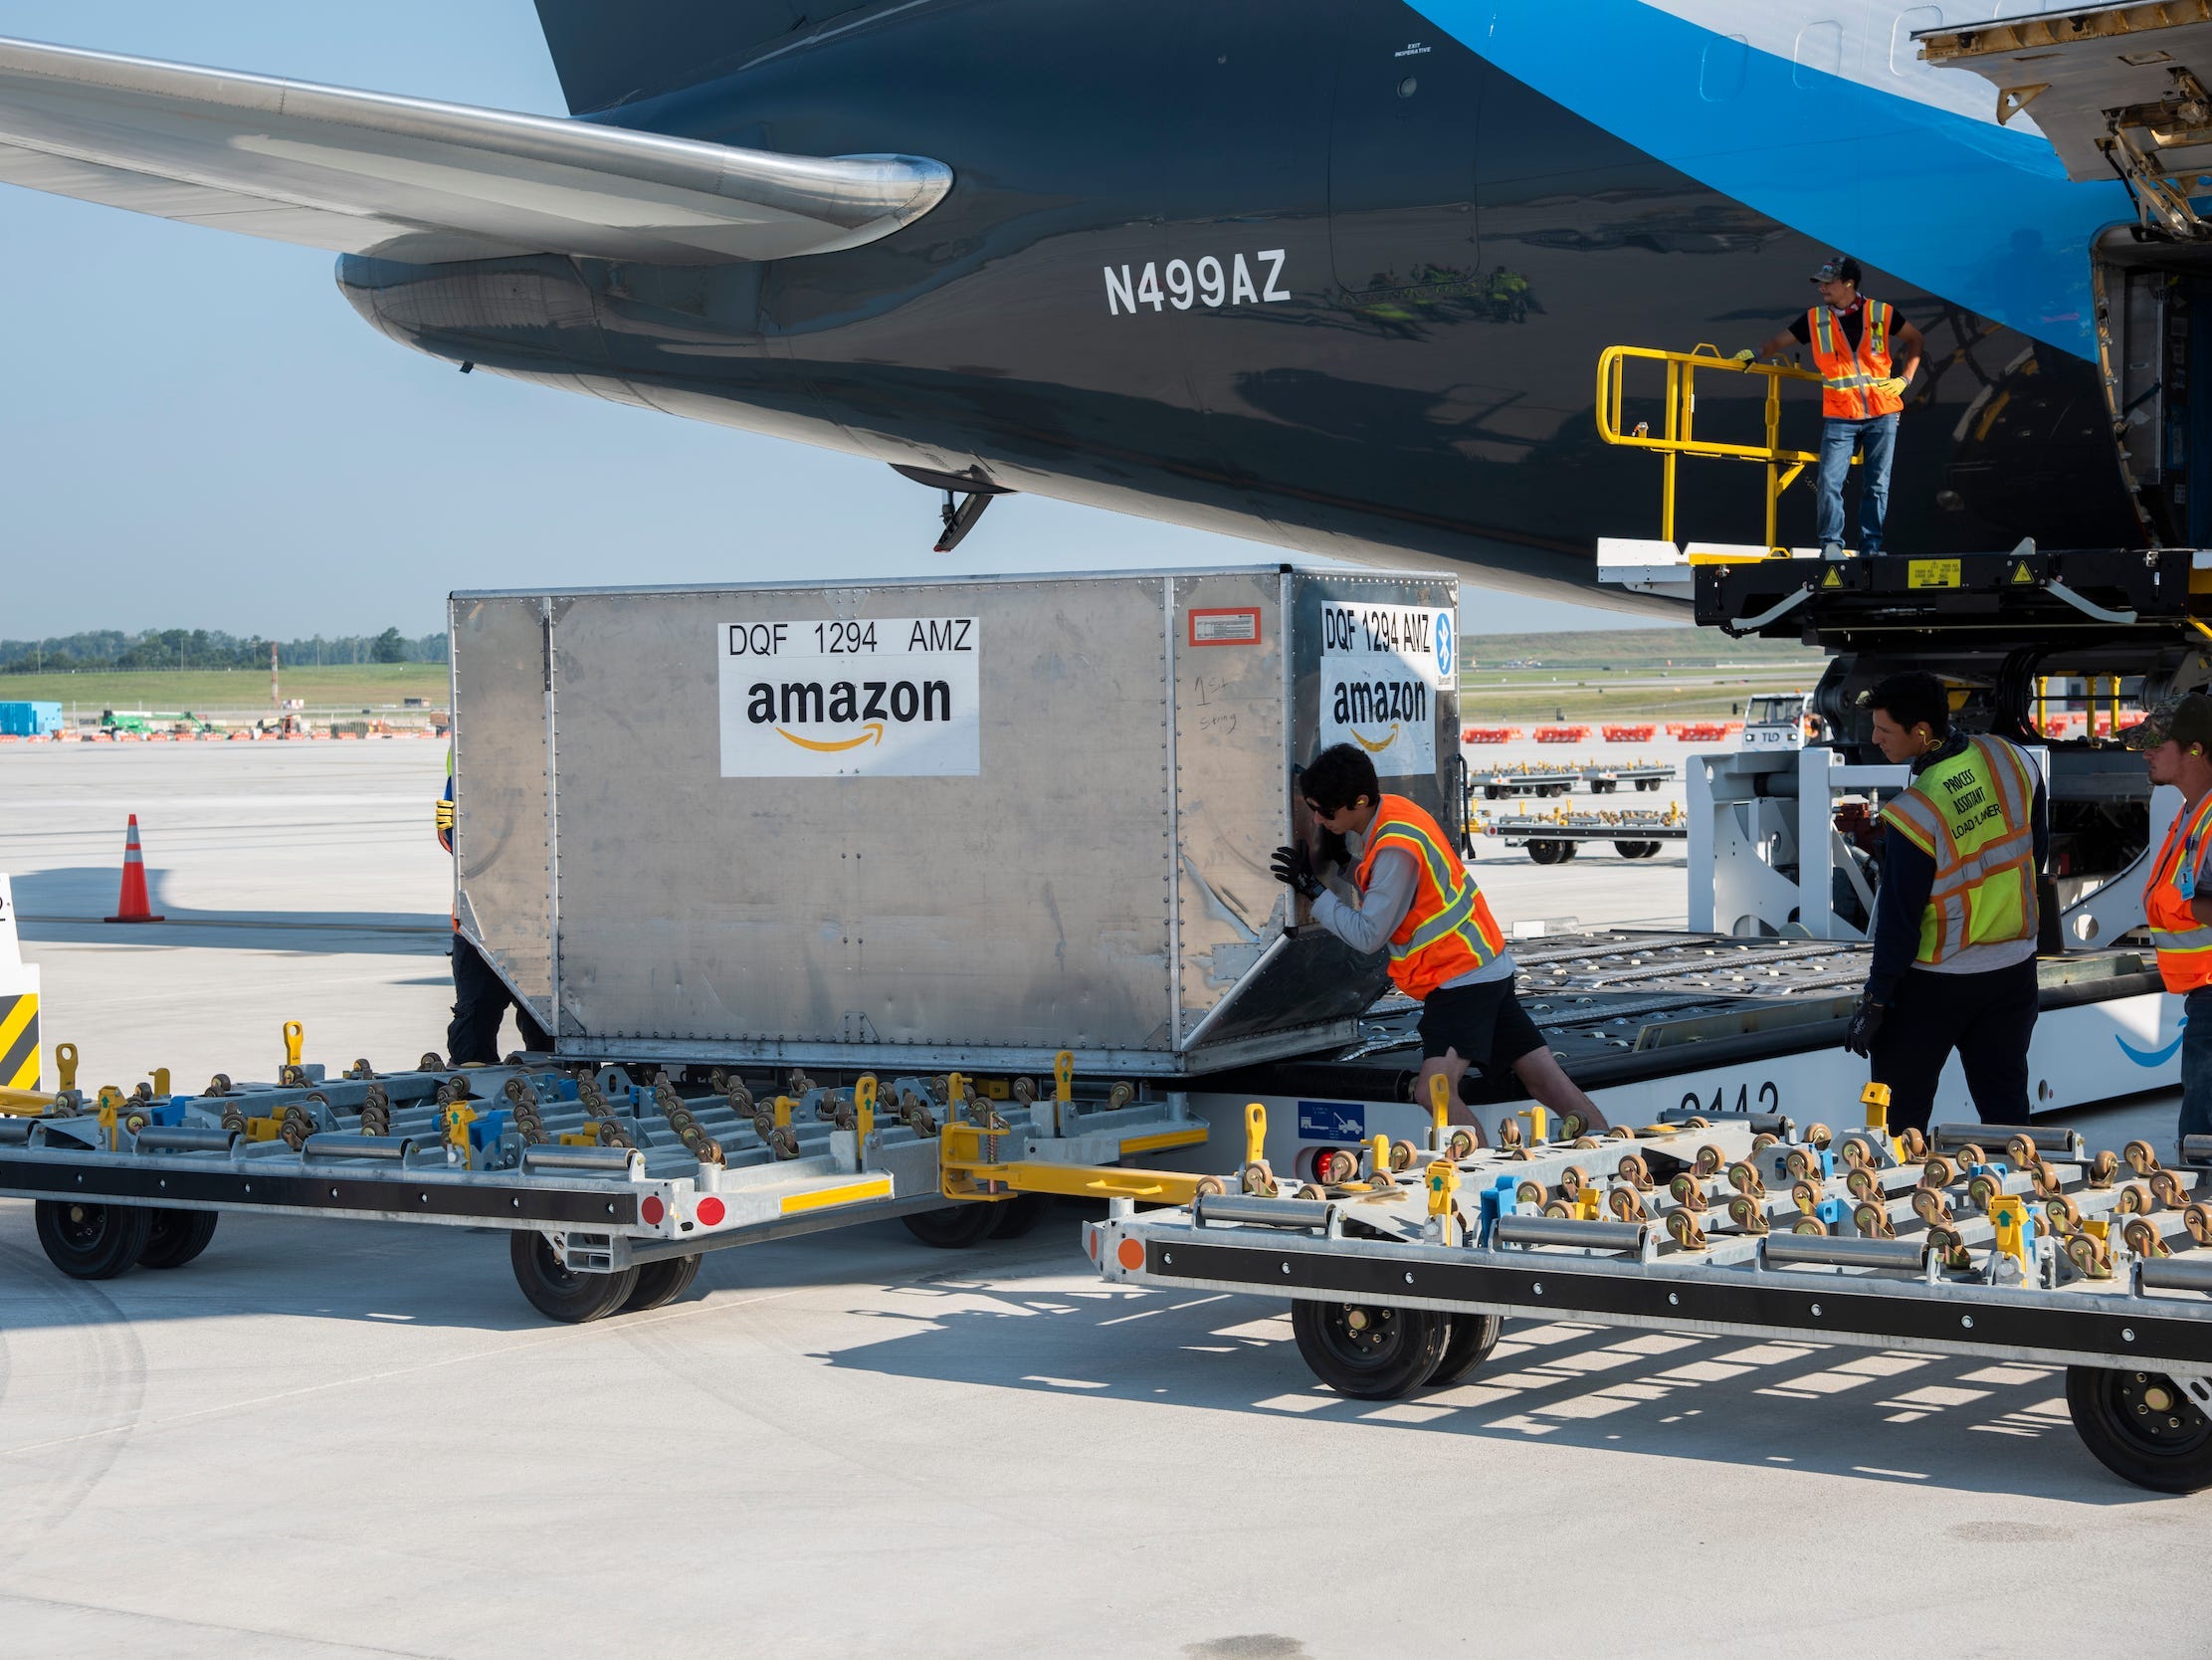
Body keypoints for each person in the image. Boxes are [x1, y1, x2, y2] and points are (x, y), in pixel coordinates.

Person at [1271, 743, 1605, 1141]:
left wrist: (1315, 892)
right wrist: (1344, 865)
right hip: (1485, 967)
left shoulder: (1395, 845)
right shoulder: (1397, 811)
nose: (1319, 820)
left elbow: (1368, 934)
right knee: (1547, 1084)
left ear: (1359, 801)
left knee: (1434, 1091)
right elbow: (1399, 891)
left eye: (1326, 811)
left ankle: (1480, 1178)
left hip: (1460, 978)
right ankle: (1617, 1157)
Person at [1844, 672, 2047, 1134]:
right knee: (2005, 1104)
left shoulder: (1916, 810)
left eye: (1884, 731)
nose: (1874, 739)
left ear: (1921, 732)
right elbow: (2037, 851)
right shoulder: (2012, 758)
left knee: (1900, 1115)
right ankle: (2016, 1191)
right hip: (2013, 969)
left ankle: (1894, 1198)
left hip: (1937, 980)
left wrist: (1874, 1002)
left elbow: (1900, 920)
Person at [1744, 254, 1923, 558]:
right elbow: (1778, 342)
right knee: (1829, 481)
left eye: (1828, 283)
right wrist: (1756, 352)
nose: (1822, 289)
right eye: (1821, 283)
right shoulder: (1815, 319)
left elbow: (1915, 340)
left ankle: (1871, 549)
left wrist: (1905, 380)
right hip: (1841, 415)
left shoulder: (1880, 312)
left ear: (1848, 284)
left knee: (1877, 485)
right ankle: (1831, 546)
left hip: (1883, 412)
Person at [2127, 695, 2212, 1153]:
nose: (2147, 752)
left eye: (2158, 743)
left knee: (2203, 1135)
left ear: (2196, 750)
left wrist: (2187, 903)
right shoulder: (2191, 811)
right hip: (2203, 989)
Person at [436, 746, 550, 1065]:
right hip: (486, 922)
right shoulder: (468, 752)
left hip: (503, 923)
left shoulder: (472, 747)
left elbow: (450, 837)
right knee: (479, 1033)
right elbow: (451, 838)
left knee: (544, 1034)